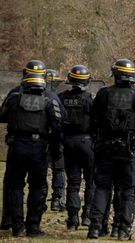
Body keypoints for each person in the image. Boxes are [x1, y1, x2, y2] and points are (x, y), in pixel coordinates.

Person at [87, 59, 135, 240]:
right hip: (128, 152)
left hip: (105, 150)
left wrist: (96, 140)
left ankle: (95, 227)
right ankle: (122, 229)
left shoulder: (103, 94)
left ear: (115, 74)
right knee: (127, 190)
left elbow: (92, 120)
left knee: (102, 187)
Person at [0, 71, 63, 237]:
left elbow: (2, 115)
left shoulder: (14, 98)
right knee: (38, 187)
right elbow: (57, 129)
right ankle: (33, 227)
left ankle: (17, 227)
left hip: (17, 147)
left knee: (15, 187)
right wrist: (56, 153)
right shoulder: (49, 102)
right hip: (39, 150)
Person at [58, 65, 95, 230]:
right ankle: (87, 216)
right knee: (91, 181)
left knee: (73, 182)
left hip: (68, 143)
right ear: (87, 81)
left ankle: (72, 220)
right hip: (87, 143)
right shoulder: (90, 99)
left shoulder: (60, 98)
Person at [46, 68, 67, 212]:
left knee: (39, 172)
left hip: (41, 140)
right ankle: (56, 199)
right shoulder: (56, 97)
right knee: (59, 170)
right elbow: (63, 118)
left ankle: (40, 202)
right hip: (55, 138)